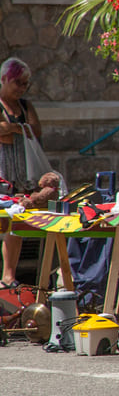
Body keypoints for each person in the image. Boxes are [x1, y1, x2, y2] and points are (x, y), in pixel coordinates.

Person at [0, 58, 41, 286]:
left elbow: (35, 130)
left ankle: (9, 275)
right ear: (4, 79)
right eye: (17, 82)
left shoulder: (25, 106)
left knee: (16, 222)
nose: (21, 88)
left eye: (25, 83)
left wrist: (11, 130)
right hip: (2, 170)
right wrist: (19, 128)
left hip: (22, 172)